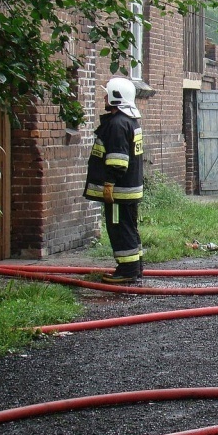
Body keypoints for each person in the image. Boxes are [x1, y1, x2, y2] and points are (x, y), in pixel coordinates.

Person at [83, 77, 144, 285]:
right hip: (128, 190)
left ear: (116, 96)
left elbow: (118, 160)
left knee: (119, 228)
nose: (103, 97)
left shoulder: (118, 124)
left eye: (107, 93)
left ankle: (127, 269)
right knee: (129, 227)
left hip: (119, 191)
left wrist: (109, 183)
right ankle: (135, 266)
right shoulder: (129, 121)